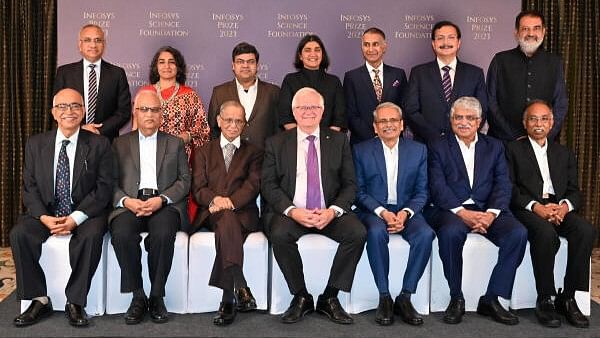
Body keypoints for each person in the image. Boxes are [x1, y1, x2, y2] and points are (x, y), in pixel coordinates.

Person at [262, 87, 366, 324]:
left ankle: (330, 297)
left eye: (314, 107)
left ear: (322, 111)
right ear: (293, 112)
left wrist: (333, 211)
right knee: (279, 234)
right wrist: (293, 211)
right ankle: (301, 297)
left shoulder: (339, 140)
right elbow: (268, 185)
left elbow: (350, 184)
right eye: (302, 107)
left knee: (357, 233)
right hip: (292, 212)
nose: (308, 112)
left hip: (327, 211)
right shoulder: (276, 142)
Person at [11, 88, 114, 327]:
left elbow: (104, 188)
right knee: (19, 234)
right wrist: (44, 217)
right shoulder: (36, 144)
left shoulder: (99, 144)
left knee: (92, 235)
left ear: (84, 110)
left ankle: (75, 301)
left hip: (84, 213)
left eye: (75, 106)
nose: (69, 111)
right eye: (63, 107)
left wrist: (76, 218)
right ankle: (38, 299)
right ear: (53, 113)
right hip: (46, 212)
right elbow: (29, 187)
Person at [427, 96, 527, 325]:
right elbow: (437, 186)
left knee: (517, 233)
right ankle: (456, 297)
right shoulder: (437, 145)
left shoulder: (495, 146)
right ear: (451, 119)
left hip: (487, 209)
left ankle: (492, 298)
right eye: (459, 117)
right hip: (452, 209)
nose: (464, 122)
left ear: (480, 121)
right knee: (451, 233)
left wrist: (491, 214)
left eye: (470, 118)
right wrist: (462, 213)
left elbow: (504, 183)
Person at [506, 100, 595, 328]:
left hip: (558, 207)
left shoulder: (564, 153)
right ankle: (545, 298)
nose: (539, 124)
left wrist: (564, 207)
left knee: (585, 231)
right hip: (528, 208)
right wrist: (537, 207)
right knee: (546, 234)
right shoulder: (513, 150)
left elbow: (575, 191)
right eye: (533, 119)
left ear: (552, 123)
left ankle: (568, 297)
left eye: (544, 118)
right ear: (525, 124)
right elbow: (510, 188)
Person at [109, 90, 191, 325]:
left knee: (163, 234)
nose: (149, 115)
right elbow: (110, 182)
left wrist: (162, 199)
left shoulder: (174, 143)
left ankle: (156, 295)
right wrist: (126, 201)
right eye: (144, 109)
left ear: (161, 114)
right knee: (122, 233)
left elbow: (184, 181)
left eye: (155, 110)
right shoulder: (119, 143)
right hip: (129, 204)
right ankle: (137, 295)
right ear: (135, 112)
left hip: (163, 204)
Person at [352, 102, 434, 326]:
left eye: (393, 121)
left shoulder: (418, 150)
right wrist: (383, 212)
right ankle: (384, 296)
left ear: (401, 125)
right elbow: (358, 192)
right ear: (375, 127)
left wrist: (406, 213)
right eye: (382, 121)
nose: (388, 125)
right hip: (374, 210)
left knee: (426, 235)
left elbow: (422, 191)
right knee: (376, 233)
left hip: (407, 210)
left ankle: (405, 297)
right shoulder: (361, 150)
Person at [192, 100, 264, 326]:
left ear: (244, 124)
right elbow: (198, 188)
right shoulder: (204, 151)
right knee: (225, 220)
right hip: (211, 212)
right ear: (219, 121)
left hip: (242, 213)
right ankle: (240, 286)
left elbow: (253, 186)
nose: (233, 125)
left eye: (238, 121)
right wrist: (215, 199)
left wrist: (229, 202)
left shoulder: (254, 152)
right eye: (229, 120)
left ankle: (228, 300)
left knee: (228, 220)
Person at [487, 10, 568, 142]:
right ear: (516, 33)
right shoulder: (500, 60)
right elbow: (490, 101)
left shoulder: (554, 62)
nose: (531, 34)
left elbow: (560, 104)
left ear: (543, 31)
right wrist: (513, 136)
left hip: (541, 143)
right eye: (525, 29)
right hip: (503, 142)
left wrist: (544, 136)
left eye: (536, 28)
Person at [404, 21, 488, 144]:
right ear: (433, 44)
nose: (445, 43)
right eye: (440, 38)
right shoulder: (418, 73)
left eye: (451, 38)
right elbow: (411, 110)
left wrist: (463, 134)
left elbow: (482, 110)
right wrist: (434, 136)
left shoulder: (475, 74)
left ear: (458, 43)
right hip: (428, 144)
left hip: (464, 144)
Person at [53, 24, 131, 142]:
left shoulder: (117, 74)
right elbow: (58, 108)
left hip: (106, 141)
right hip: (73, 138)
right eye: (87, 40)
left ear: (103, 45)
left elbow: (124, 111)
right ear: (80, 45)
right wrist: (80, 128)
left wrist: (99, 130)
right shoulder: (64, 73)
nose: (93, 45)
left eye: (98, 40)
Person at [136, 46, 210, 159]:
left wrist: (188, 136)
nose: (167, 66)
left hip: (180, 156)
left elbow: (203, 130)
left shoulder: (190, 95)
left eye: (172, 62)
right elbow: (136, 129)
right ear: (156, 67)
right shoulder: (145, 93)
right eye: (162, 62)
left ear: (178, 67)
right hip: (149, 154)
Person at [208, 42, 280, 148]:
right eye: (240, 62)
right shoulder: (219, 92)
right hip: (231, 159)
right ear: (233, 65)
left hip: (265, 158)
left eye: (250, 62)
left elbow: (279, 129)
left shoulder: (273, 92)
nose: (245, 65)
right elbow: (213, 129)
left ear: (257, 65)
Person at [344, 27, 408, 145]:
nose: (371, 49)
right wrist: (375, 137)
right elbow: (350, 115)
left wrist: (389, 135)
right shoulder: (351, 77)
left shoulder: (398, 74)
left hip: (394, 142)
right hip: (362, 144)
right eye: (366, 44)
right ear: (362, 47)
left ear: (384, 47)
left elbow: (405, 109)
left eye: (375, 44)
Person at [278, 35, 346, 132]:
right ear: (300, 56)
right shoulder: (290, 80)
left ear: (322, 54)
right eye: (308, 50)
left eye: (317, 50)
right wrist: (302, 139)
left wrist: (327, 140)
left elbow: (339, 118)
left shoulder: (334, 82)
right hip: (296, 142)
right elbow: (285, 116)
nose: (313, 54)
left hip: (329, 142)